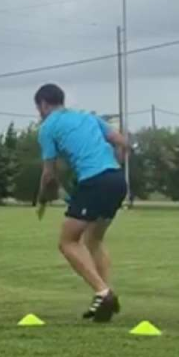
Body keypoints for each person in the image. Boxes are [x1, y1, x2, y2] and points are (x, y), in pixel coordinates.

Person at [34, 83, 129, 323]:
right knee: (94, 240)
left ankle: (103, 293)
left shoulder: (48, 127)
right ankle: (104, 298)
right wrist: (116, 162)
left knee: (67, 242)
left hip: (95, 182)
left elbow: (49, 173)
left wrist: (43, 196)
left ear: (43, 104)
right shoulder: (88, 117)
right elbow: (122, 141)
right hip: (117, 180)